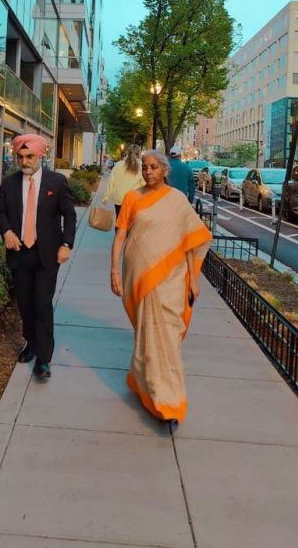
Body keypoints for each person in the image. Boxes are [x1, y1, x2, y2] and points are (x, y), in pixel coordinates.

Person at [110, 149, 211, 424]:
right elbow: (120, 236)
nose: (148, 172)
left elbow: (191, 241)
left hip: (172, 280)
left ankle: (166, 400)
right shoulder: (132, 198)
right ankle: (144, 382)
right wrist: (114, 271)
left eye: (153, 167)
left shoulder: (178, 201)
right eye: (144, 167)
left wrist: (194, 279)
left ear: (165, 170)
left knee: (166, 336)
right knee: (146, 332)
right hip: (139, 275)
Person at [0, 133, 76, 379]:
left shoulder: (56, 182)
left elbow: (69, 216)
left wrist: (66, 244)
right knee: (25, 303)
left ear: (41, 155)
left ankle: (43, 358)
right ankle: (30, 342)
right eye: (20, 157)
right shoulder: (8, 184)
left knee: (42, 303)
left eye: (29, 156)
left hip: (47, 255)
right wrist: (7, 231)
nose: (25, 161)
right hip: (19, 253)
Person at [102, 144, 145, 217]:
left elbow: (111, 181)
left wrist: (106, 197)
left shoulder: (118, 165)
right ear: (139, 154)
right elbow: (144, 184)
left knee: (119, 222)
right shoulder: (141, 167)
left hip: (119, 198)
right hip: (134, 200)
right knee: (131, 224)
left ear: (127, 153)